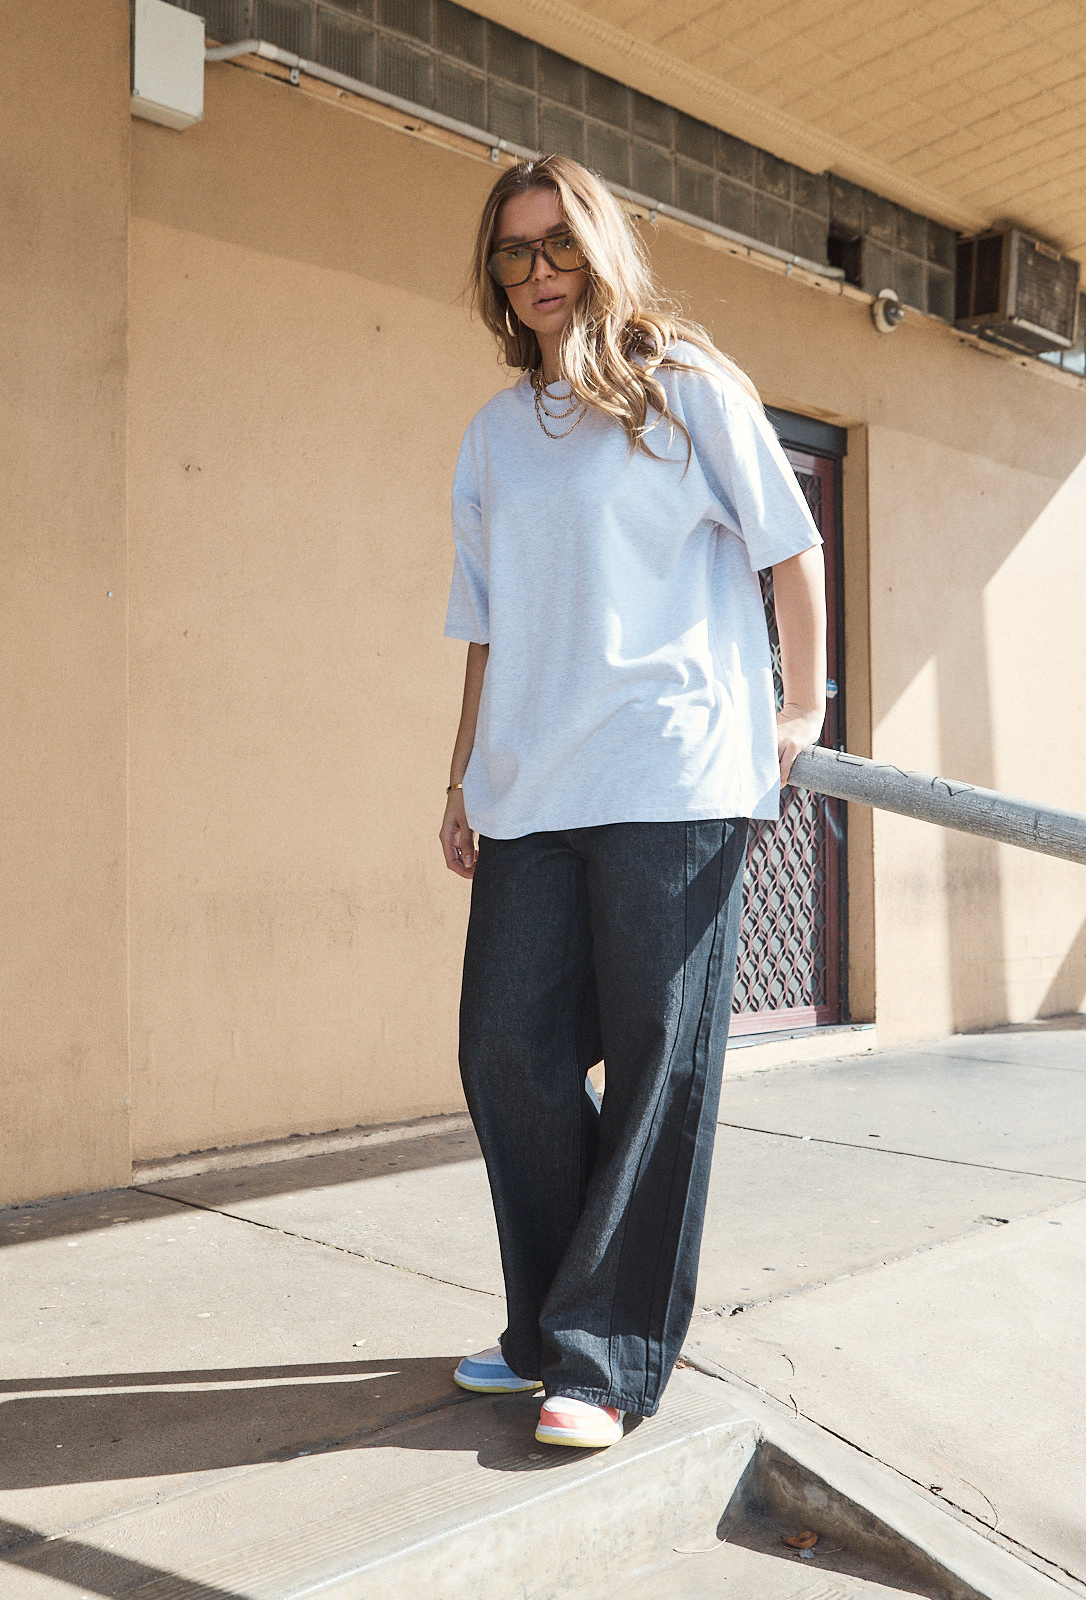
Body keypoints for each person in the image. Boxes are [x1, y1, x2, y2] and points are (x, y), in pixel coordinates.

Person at [439, 154, 826, 1451]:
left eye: (557, 245)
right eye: (512, 253)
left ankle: (603, 1359)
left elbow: (790, 545)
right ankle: (556, 1320)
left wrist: (801, 708)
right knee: (507, 1051)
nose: (538, 272)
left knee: (664, 1063)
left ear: (600, 248)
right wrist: (461, 777)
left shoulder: (686, 388)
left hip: (673, 769)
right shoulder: (496, 434)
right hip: (533, 785)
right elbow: (487, 627)